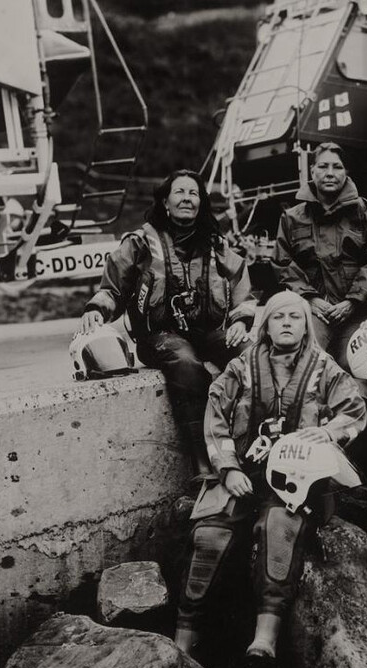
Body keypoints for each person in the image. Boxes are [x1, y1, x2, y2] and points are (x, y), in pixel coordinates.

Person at [174, 289, 367, 668]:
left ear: (306, 325)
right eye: (278, 317)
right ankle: (182, 639)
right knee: (210, 536)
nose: (287, 324)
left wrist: (328, 432)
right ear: (266, 325)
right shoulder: (241, 367)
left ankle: (266, 636)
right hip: (243, 473)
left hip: (295, 478)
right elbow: (216, 417)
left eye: (295, 317)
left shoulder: (324, 367)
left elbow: (354, 408)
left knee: (279, 528)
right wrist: (228, 469)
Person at [80, 169, 256, 472]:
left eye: (193, 193)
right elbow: (112, 288)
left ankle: (258, 446)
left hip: (208, 332)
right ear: (165, 201)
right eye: (180, 192)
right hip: (160, 336)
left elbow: (240, 281)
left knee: (251, 354)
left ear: (201, 202)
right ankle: (203, 461)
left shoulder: (215, 243)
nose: (187, 198)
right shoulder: (139, 244)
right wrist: (96, 309)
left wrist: (240, 320)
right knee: (187, 364)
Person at [274, 142, 367, 378]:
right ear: (312, 171)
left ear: (346, 172)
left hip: (363, 312)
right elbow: (283, 262)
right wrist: (311, 299)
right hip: (318, 312)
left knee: (356, 364)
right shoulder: (292, 218)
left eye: (337, 167)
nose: (330, 173)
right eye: (323, 166)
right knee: (303, 360)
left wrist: (352, 301)